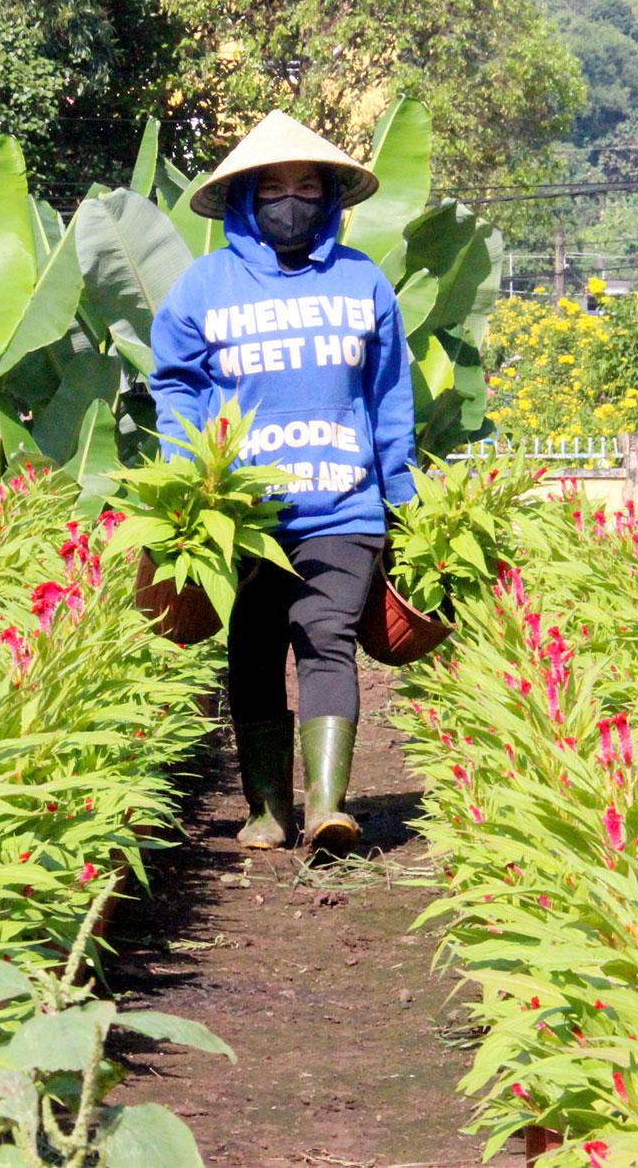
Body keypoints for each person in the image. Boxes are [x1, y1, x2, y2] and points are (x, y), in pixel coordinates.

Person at [149, 110, 417, 855]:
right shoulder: (205, 286)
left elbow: (390, 396)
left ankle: (328, 804)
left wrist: (403, 495)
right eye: (275, 187)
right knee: (254, 645)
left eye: (308, 185)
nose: (291, 200)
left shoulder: (364, 283)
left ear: (330, 197)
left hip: (344, 502)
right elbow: (173, 382)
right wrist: (187, 469)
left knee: (326, 637)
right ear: (245, 196)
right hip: (246, 514)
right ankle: (268, 807)